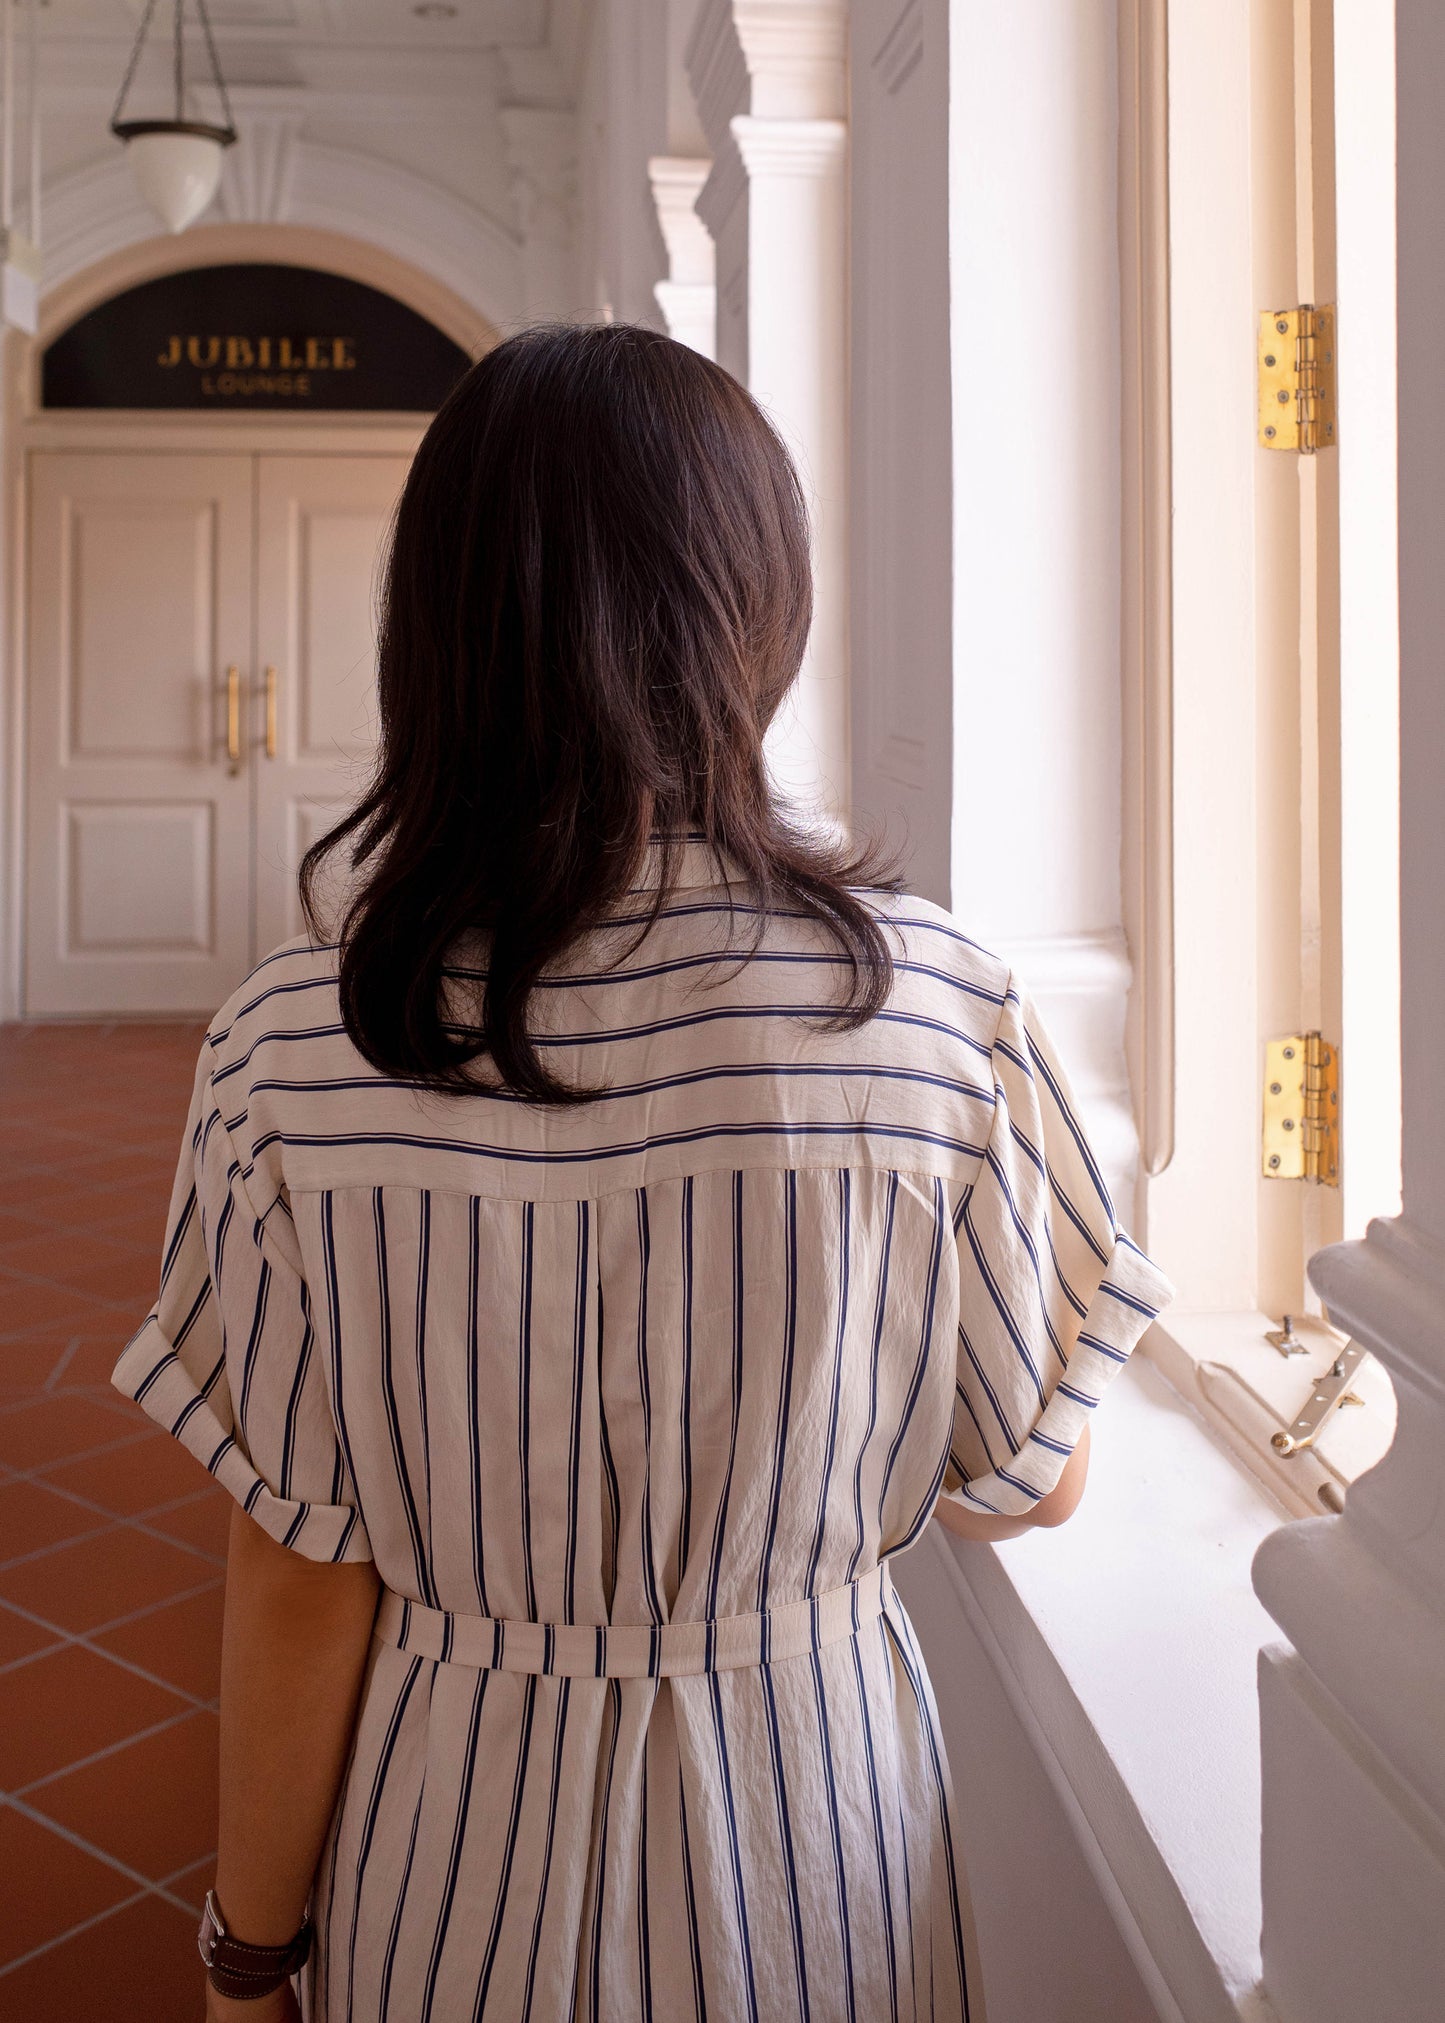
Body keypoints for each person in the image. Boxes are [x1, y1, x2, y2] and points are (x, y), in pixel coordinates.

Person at [114, 323, 1172, 2023]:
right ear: (759, 606)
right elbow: (1025, 1480)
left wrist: (250, 1947)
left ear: (437, 627)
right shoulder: (934, 1011)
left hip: (452, 1828)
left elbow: (305, 1572)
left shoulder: (294, 1045)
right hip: (818, 1821)